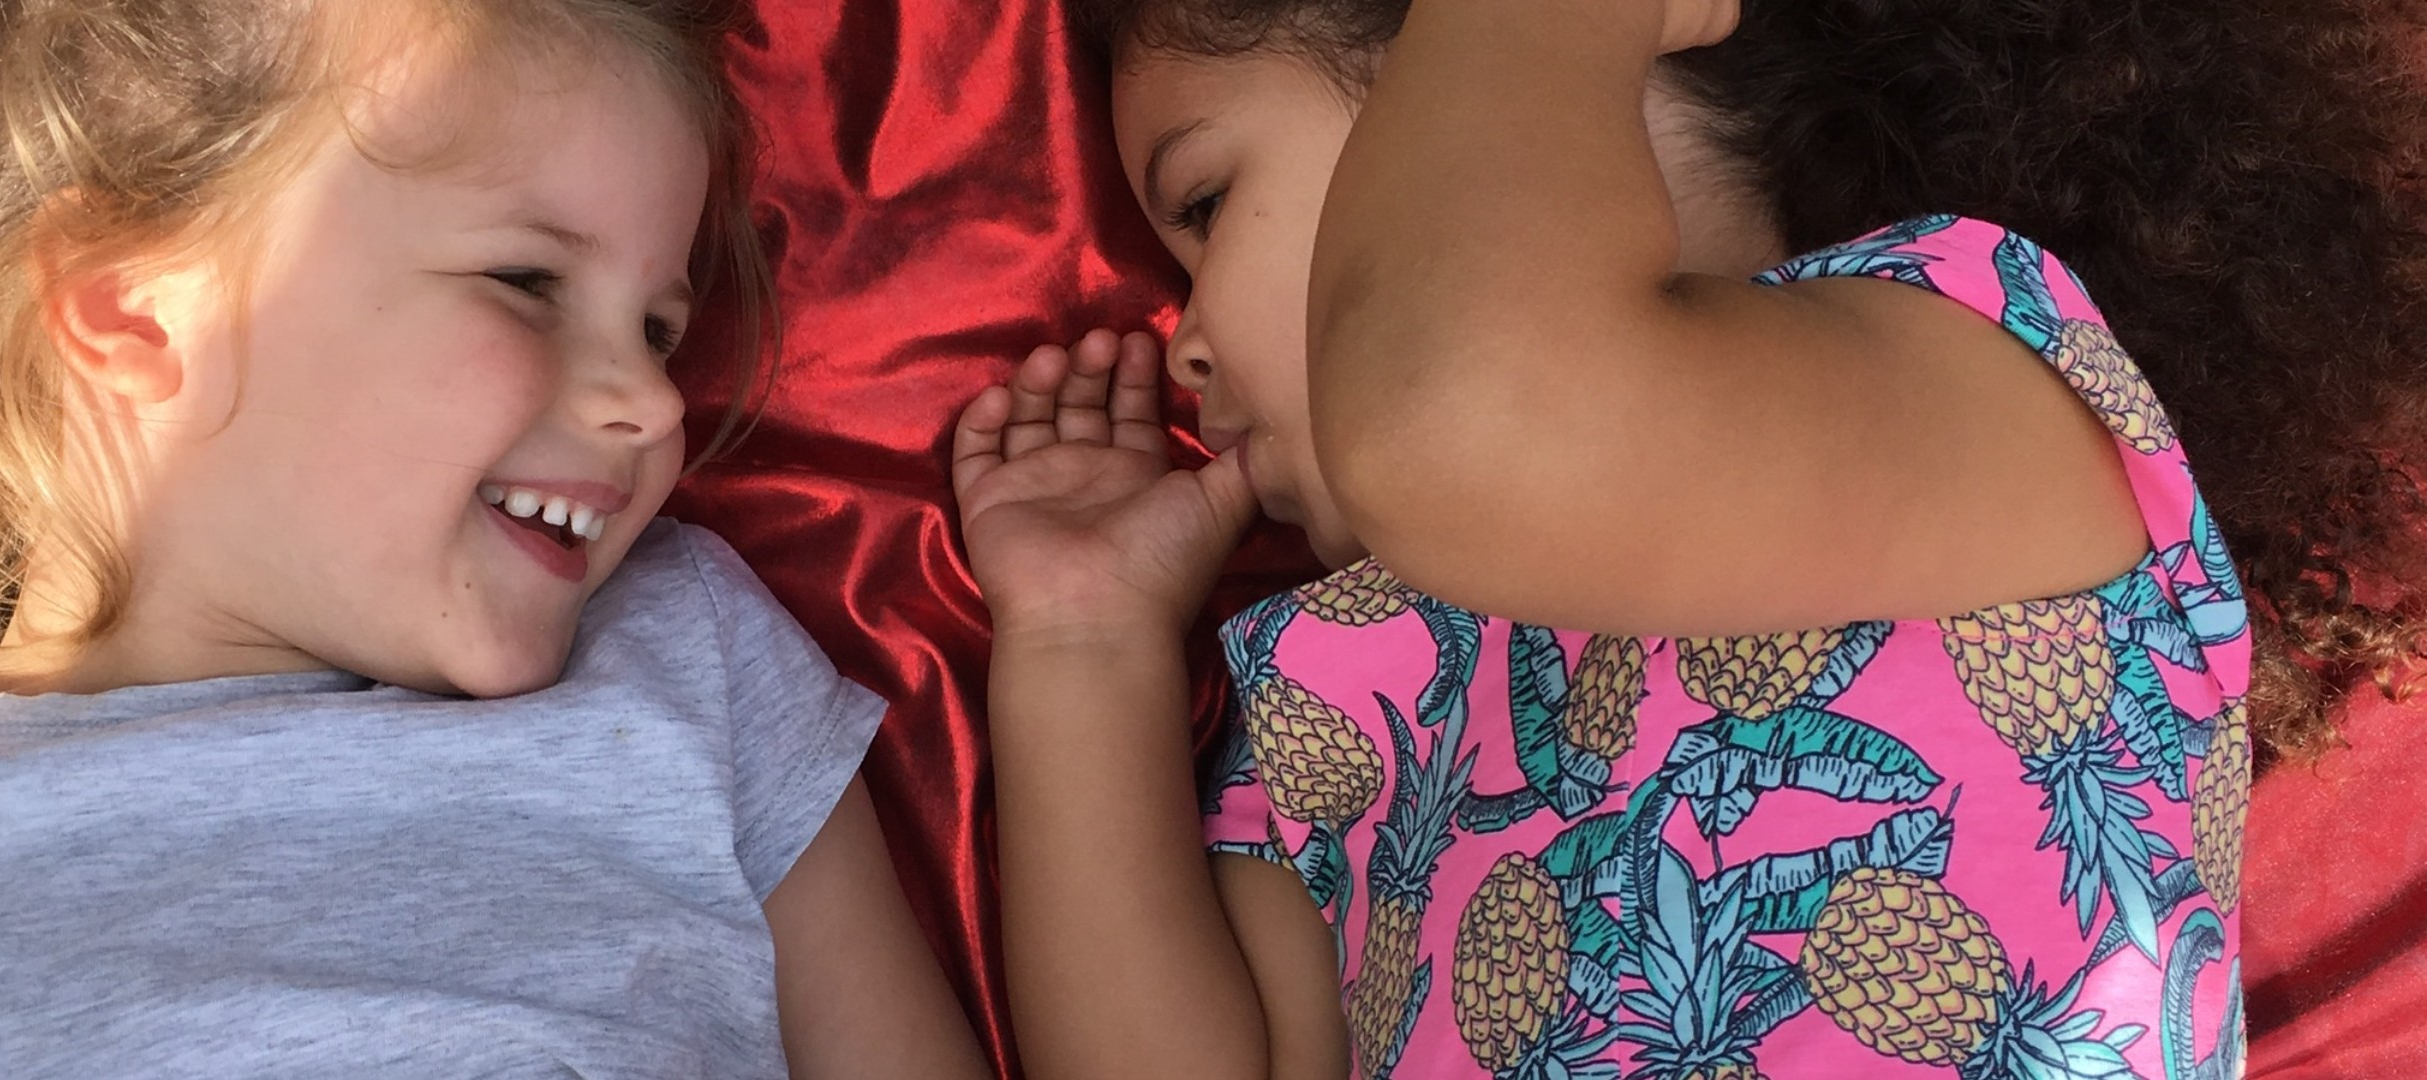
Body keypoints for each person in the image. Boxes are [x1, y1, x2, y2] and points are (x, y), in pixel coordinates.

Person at [952, 0, 2427, 1076]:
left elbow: (1476, 414)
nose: (1184, 341)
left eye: (1208, 203)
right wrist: (1084, 646)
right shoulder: (1354, 670)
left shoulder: (1980, 371)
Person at [0, 2, 991, 1076]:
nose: (652, 400)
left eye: (660, 330)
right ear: (131, 310)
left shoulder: (686, 654)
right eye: (528, 282)